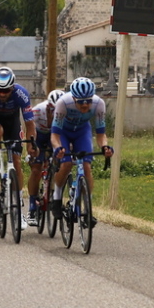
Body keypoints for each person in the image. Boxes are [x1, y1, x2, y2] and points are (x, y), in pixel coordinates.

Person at [0, 67, 36, 231]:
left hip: (12, 121)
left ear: (13, 87)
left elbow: (30, 124)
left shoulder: (21, 94)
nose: (2, 94)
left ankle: (18, 208)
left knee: (17, 161)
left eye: (6, 90)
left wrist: (31, 144)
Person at [50, 77, 113, 224]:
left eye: (88, 101)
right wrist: (58, 148)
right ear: (73, 98)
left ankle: (87, 209)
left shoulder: (99, 104)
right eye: (80, 102)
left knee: (86, 167)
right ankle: (57, 198)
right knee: (65, 164)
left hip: (82, 132)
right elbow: (55, 135)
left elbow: (101, 134)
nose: (85, 105)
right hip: (64, 133)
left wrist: (104, 147)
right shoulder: (63, 103)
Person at [26, 89, 63, 225]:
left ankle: (55, 191)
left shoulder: (66, 112)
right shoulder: (37, 110)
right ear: (48, 106)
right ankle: (32, 205)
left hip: (56, 135)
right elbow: (29, 130)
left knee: (62, 162)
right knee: (36, 169)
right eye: (52, 110)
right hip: (39, 136)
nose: (55, 114)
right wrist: (32, 149)